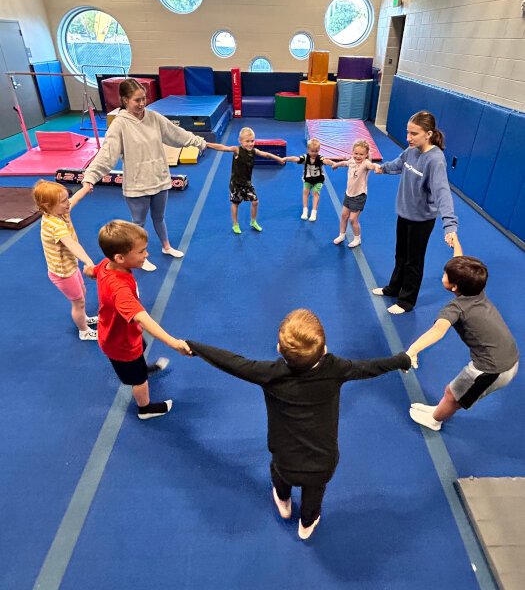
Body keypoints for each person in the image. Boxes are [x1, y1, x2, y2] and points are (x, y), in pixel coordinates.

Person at [185, 309, 412, 539]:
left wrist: (195, 348)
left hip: (285, 458)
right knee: (314, 492)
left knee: (279, 474)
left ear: (279, 349)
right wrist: (402, 360)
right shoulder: (335, 369)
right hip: (322, 462)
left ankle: (283, 499)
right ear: (324, 350)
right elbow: (370, 367)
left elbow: (233, 363)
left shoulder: (269, 374)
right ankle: (307, 522)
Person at [82, 78, 207, 271]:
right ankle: (140, 255)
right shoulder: (119, 125)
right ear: (125, 100)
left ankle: (166, 246)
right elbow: (107, 154)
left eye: (144, 99)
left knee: (159, 217)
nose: (142, 103)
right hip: (137, 183)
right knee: (138, 224)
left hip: (159, 178)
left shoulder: (154, 118)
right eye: (137, 100)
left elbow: (176, 134)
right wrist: (90, 176)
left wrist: (198, 141)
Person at [407, 235, 519, 431]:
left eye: (445, 275)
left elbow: (438, 330)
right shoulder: (475, 290)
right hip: (506, 358)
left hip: (492, 370)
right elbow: (459, 262)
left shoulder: (456, 308)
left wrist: (412, 350)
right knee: (453, 392)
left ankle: (435, 421)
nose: (442, 275)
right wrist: (456, 242)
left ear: (455, 286)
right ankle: (439, 409)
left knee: (453, 395)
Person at [87, 220, 192, 420]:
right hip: (120, 343)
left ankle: (141, 368)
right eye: (141, 251)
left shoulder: (107, 265)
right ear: (120, 257)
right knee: (139, 380)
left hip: (123, 333)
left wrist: (90, 272)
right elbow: (142, 319)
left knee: (140, 350)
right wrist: (173, 343)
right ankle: (145, 409)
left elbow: (94, 271)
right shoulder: (119, 289)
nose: (147, 254)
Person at [371, 110, 458, 314]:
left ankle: (406, 301)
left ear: (428, 134)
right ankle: (394, 288)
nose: (408, 138)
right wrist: (381, 168)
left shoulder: (435, 160)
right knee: (400, 255)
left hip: (421, 219)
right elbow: (398, 164)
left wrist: (450, 224)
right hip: (404, 213)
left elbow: (442, 193)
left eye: (414, 133)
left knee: (413, 261)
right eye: (407, 132)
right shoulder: (411, 151)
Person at [33, 180, 98, 341]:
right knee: (78, 302)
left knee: (82, 292)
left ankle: (83, 318)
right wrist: (88, 261)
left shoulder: (60, 211)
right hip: (63, 273)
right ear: (48, 206)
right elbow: (72, 245)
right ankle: (84, 331)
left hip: (70, 266)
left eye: (66, 198)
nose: (68, 203)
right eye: (63, 201)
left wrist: (85, 188)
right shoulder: (55, 226)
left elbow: (75, 199)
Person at [207, 126, 285, 233]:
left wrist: (279, 158)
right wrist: (207, 144)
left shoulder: (254, 151)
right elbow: (223, 147)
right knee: (235, 204)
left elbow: (266, 154)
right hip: (236, 184)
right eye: (247, 141)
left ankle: (253, 221)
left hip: (247, 183)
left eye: (252, 141)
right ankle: (235, 224)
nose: (250, 144)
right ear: (240, 141)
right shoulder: (237, 150)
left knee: (255, 202)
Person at [331, 139, 376, 247]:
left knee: (353, 219)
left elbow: (372, 166)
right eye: (356, 153)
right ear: (352, 152)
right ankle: (342, 235)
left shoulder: (365, 163)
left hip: (359, 196)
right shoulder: (352, 161)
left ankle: (357, 238)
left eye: (361, 154)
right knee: (344, 216)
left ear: (366, 155)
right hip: (348, 194)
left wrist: (377, 167)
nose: (358, 156)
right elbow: (344, 163)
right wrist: (336, 165)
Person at [284, 138, 335, 222]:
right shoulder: (305, 157)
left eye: (316, 151)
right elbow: (296, 159)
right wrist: (286, 158)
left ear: (319, 150)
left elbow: (326, 161)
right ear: (308, 150)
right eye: (312, 151)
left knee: (315, 193)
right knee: (305, 193)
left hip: (318, 179)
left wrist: (333, 164)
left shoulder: (320, 158)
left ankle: (314, 212)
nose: (314, 153)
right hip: (308, 179)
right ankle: (305, 210)